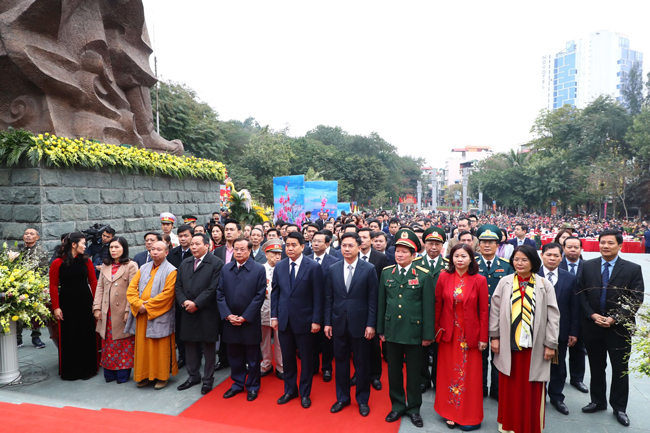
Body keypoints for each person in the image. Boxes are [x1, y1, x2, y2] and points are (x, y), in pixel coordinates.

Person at [489, 245, 560, 433]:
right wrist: (494, 336)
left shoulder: (544, 285)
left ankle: (530, 426)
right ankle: (508, 425)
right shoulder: (505, 282)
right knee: (509, 387)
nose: (519, 263)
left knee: (532, 388)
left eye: (524, 260)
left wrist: (551, 344)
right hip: (508, 345)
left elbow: (553, 316)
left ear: (533, 262)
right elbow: (495, 311)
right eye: (516, 259)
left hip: (534, 347)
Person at [578, 229, 645, 427]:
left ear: (619, 245)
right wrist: (592, 314)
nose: (605, 246)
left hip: (619, 329)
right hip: (592, 326)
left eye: (610, 243)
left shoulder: (632, 269)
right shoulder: (588, 266)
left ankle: (619, 407)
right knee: (597, 367)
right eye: (602, 243)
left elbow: (636, 298)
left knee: (620, 369)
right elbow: (580, 293)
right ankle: (597, 401)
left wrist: (615, 318)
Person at [377, 229, 435, 428]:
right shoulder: (386, 273)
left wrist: (428, 335)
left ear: (414, 255)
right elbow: (381, 303)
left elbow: (428, 307)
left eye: (404, 251)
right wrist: (380, 330)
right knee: (393, 372)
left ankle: (414, 409)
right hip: (392, 330)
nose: (399, 255)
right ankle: (397, 405)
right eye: (397, 251)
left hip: (414, 332)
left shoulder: (423, 275)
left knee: (413, 373)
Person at [434, 243, 488, 430]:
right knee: (449, 373)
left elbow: (483, 311)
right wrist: (435, 330)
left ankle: (469, 415)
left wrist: (483, 337)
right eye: (456, 256)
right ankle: (450, 412)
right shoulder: (444, 276)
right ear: (451, 258)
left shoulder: (480, 280)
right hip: (449, 334)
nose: (459, 259)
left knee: (470, 376)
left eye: (464, 256)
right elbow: (438, 305)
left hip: (470, 335)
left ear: (471, 259)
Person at [324, 232, 378, 417]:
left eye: (350, 246)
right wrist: (327, 323)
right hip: (338, 323)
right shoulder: (333, 268)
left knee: (362, 363)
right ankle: (342, 397)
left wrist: (371, 324)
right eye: (343, 246)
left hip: (361, 325)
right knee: (341, 362)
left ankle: (362, 400)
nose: (346, 249)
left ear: (359, 247)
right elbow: (329, 298)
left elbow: (373, 299)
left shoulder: (369, 269)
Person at [271, 231, 324, 408]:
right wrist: (274, 316)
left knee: (307, 359)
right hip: (284, 320)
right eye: (287, 245)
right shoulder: (279, 266)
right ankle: (290, 390)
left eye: (294, 245)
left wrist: (317, 320)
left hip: (306, 321)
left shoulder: (313, 266)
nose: (290, 248)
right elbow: (276, 293)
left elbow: (318, 296)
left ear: (303, 246)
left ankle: (305, 393)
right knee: (287, 358)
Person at [217, 237, 267, 401]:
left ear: (249, 250)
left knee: (252, 357)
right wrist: (228, 315)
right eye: (236, 249)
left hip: (249, 321)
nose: (238, 252)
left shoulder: (258, 269)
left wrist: (245, 317)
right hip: (230, 321)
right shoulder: (226, 269)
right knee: (234, 355)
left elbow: (259, 296)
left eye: (242, 249)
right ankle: (237, 384)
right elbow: (220, 294)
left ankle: (253, 386)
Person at [125, 240, 178, 389]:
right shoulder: (144, 267)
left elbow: (167, 295)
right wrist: (137, 304)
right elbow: (131, 289)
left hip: (159, 315)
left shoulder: (171, 270)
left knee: (159, 348)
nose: (154, 252)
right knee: (143, 348)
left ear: (166, 252)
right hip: (142, 316)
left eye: (158, 249)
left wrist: (146, 306)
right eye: (152, 249)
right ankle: (144, 375)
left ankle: (161, 376)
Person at [175, 233, 224, 395]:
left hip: (207, 312)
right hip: (188, 311)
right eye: (192, 244)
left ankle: (208, 379)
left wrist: (196, 303)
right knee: (190, 345)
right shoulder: (185, 263)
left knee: (208, 347)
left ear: (207, 245)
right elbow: (178, 286)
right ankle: (193, 376)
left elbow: (213, 288)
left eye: (197, 244)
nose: (193, 247)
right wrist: (184, 302)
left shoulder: (216, 263)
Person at [49, 232, 99, 380]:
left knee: (86, 333)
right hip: (66, 303)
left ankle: (88, 369)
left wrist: (96, 303)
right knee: (69, 335)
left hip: (85, 302)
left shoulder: (86, 261)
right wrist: (56, 307)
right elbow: (52, 285)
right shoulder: (57, 262)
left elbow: (93, 282)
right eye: (83, 243)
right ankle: (70, 370)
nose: (85, 246)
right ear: (74, 244)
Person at [538, 242, 579, 415]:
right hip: (535, 331)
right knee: (536, 365)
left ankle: (556, 397)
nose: (552, 258)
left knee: (558, 365)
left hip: (560, 330)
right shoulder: (533, 275)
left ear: (561, 258)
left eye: (556, 255)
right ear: (542, 256)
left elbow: (574, 306)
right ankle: (537, 396)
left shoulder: (569, 277)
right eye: (549, 255)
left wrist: (573, 331)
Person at [475, 225, 514, 399]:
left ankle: (497, 390)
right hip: (478, 318)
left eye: (491, 242)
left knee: (498, 356)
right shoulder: (472, 264)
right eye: (483, 242)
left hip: (500, 318)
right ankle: (481, 388)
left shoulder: (506, 266)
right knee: (479, 356)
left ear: (498, 244)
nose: (487, 245)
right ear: (479, 244)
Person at [93, 237, 138, 384]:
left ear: (124, 248)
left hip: (122, 310)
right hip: (107, 310)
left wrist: (128, 311)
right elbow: (100, 288)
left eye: (116, 247)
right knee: (107, 342)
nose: (113, 250)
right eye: (111, 247)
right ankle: (110, 372)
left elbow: (133, 289)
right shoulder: (105, 266)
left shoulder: (131, 265)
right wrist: (97, 307)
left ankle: (122, 373)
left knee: (123, 342)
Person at [419, 226, 448, 393]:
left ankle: (438, 379)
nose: (434, 247)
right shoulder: (416, 264)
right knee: (421, 351)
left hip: (442, 315)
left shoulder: (448, 266)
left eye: (437, 244)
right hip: (420, 314)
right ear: (425, 244)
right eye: (430, 243)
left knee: (440, 351)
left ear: (442, 246)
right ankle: (423, 379)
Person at [357, 227, 386, 390]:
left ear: (371, 240)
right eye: (359, 237)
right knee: (357, 345)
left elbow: (382, 285)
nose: (362, 240)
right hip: (355, 307)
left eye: (365, 237)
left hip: (373, 306)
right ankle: (359, 374)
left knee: (374, 345)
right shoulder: (351, 256)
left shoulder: (380, 258)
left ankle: (375, 375)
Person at [558, 236, 588, 393]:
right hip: (561, 314)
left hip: (581, 315)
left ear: (581, 249)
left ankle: (577, 378)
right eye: (569, 247)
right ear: (563, 249)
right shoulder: (557, 265)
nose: (572, 250)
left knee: (579, 348)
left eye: (576, 247)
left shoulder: (588, 266)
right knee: (560, 350)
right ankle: (558, 380)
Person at [309, 230, 340, 382]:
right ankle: (313, 365)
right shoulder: (306, 259)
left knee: (327, 339)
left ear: (328, 244)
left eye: (319, 241)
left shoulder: (334, 262)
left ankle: (327, 367)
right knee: (311, 340)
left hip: (328, 306)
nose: (315, 243)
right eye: (314, 240)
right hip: (309, 307)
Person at [16, 227, 50, 348]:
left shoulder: (42, 252)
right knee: (18, 311)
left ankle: (36, 336)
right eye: (26, 234)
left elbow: (42, 270)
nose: (28, 236)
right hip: (17, 285)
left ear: (37, 237)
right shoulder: (17, 250)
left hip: (34, 285)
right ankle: (18, 338)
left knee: (36, 312)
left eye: (31, 234)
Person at [167, 225, 194, 369]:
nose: (183, 238)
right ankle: (182, 356)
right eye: (180, 236)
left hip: (192, 297)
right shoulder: (172, 254)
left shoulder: (195, 254)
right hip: (176, 297)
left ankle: (196, 356)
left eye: (186, 236)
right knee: (179, 328)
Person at [260, 240, 284, 380]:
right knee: (264, 340)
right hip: (263, 308)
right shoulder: (260, 269)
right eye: (274, 254)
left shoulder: (284, 269)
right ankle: (266, 364)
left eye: (279, 254)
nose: (277, 257)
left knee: (281, 340)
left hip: (279, 310)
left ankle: (281, 366)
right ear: (266, 254)